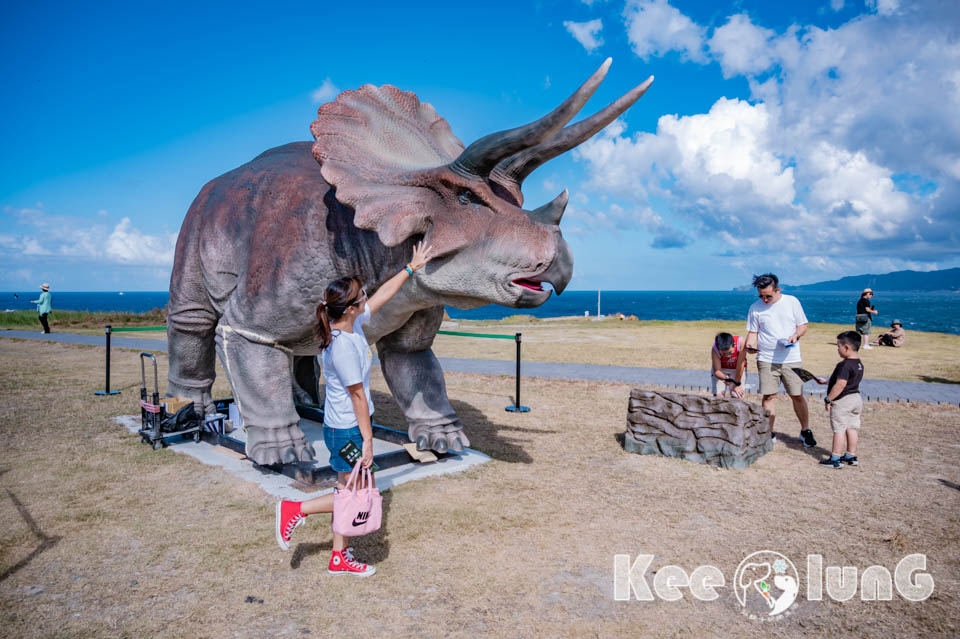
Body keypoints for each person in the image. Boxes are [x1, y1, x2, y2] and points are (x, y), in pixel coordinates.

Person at [274, 241, 433, 577]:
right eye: (361, 297)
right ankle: (295, 509)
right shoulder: (342, 347)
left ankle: (338, 557)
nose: (366, 299)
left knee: (352, 490)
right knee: (352, 494)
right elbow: (358, 397)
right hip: (347, 429)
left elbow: (382, 297)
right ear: (348, 309)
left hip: (348, 426)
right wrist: (368, 440)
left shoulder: (352, 325)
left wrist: (410, 269)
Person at [745, 273, 817, 448]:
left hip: (792, 358)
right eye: (761, 296)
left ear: (778, 290)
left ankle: (805, 430)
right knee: (769, 395)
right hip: (767, 358)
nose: (765, 299)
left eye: (768, 296)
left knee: (797, 395)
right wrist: (751, 345)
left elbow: (803, 325)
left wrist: (796, 335)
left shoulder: (792, 302)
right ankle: (768, 433)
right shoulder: (755, 308)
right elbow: (753, 332)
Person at [813, 331, 864, 468]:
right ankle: (851, 455)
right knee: (852, 428)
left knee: (839, 429)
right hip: (856, 399)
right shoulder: (858, 364)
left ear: (846, 347)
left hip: (843, 401)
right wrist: (826, 382)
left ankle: (835, 458)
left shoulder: (844, 365)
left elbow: (841, 384)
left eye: (838, 346)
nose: (837, 349)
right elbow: (844, 380)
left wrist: (828, 399)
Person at [710, 332, 747, 398]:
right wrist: (724, 377)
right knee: (718, 397)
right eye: (724, 354)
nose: (727, 356)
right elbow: (717, 371)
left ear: (734, 345)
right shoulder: (715, 348)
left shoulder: (741, 343)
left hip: (737, 369)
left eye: (730, 352)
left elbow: (740, 366)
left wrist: (737, 384)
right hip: (722, 369)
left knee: (737, 395)